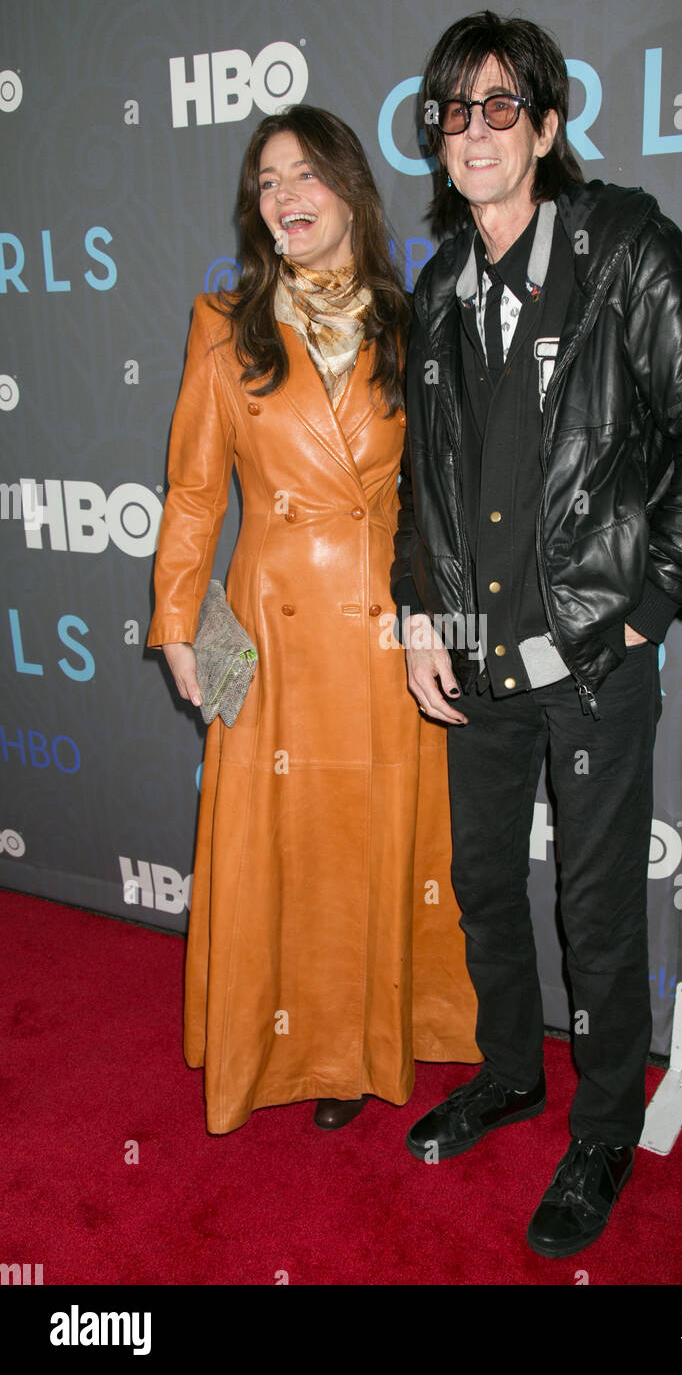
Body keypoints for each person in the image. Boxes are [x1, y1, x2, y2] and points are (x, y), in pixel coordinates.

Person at [391, 11, 682, 1256]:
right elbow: (425, 490)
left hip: (594, 665)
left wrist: (642, 612)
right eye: (454, 111)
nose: (475, 130)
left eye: (501, 105)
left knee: (597, 910)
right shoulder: (438, 287)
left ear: (547, 126)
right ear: (437, 142)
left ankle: (603, 1128)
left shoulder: (622, 247)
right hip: (478, 657)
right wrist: (420, 618)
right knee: (485, 884)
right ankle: (512, 1071)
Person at [147, 104, 479, 1137]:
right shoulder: (223, 325)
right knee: (271, 841)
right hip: (262, 628)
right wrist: (175, 625)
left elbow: (442, 491)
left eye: (303, 175)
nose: (284, 196)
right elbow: (195, 495)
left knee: (362, 845)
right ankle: (271, 1037)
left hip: (383, 628)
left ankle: (352, 1042)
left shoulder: (415, 321)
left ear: (348, 189)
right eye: (265, 183)